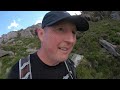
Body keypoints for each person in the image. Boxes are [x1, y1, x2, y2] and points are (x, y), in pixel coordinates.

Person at [7, 11, 89, 79]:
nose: (71, 40)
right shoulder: (20, 72)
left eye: (73, 32)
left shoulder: (70, 65)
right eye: (60, 29)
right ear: (41, 34)